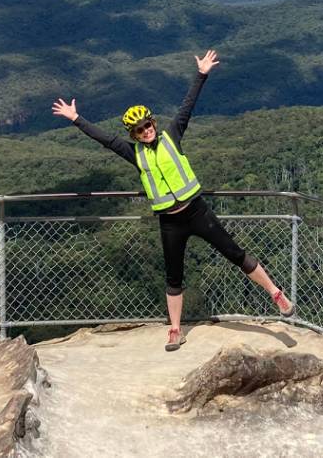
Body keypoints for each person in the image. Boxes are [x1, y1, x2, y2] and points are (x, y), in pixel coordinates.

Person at [52, 49, 295, 352]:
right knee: (174, 276)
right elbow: (106, 140)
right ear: (135, 134)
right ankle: (175, 330)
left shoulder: (171, 135)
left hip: (196, 211)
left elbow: (187, 107)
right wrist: (76, 119)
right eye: (139, 129)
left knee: (234, 253)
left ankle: (276, 294)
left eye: (148, 124)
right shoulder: (134, 153)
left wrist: (202, 74)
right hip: (170, 221)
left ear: (153, 122)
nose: (146, 130)